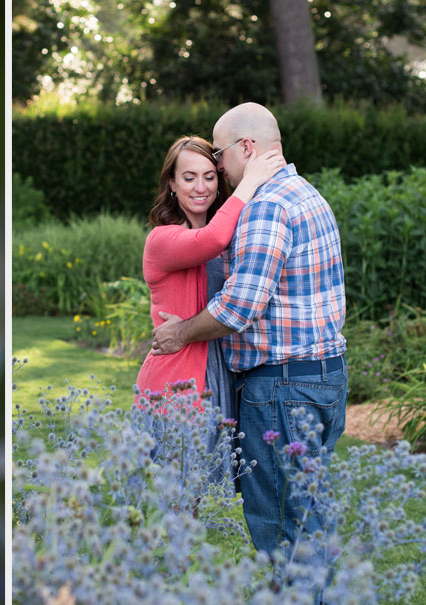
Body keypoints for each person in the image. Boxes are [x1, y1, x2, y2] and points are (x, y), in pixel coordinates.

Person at [150, 103, 348, 571]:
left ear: (246, 148)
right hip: (323, 378)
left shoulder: (268, 207)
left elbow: (239, 308)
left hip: (281, 388)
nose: (216, 167)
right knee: (307, 519)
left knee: (282, 529)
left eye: (218, 155)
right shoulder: (306, 194)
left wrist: (180, 332)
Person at [135, 135, 285, 426]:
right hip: (176, 376)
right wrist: (249, 181)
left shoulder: (230, 233)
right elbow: (211, 239)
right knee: (181, 470)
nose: (201, 187)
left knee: (219, 470)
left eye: (209, 177)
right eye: (189, 178)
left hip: (221, 372)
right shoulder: (162, 239)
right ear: (172, 184)